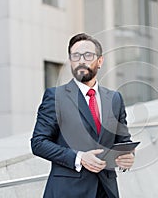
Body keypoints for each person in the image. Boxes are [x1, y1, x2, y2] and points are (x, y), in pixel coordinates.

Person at [31, 33, 135, 198]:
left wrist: (128, 156)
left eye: (87, 55)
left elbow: (123, 141)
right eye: (75, 56)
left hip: (106, 190)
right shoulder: (55, 97)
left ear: (100, 61)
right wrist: (79, 157)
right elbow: (38, 143)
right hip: (68, 191)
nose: (81, 60)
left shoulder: (115, 99)